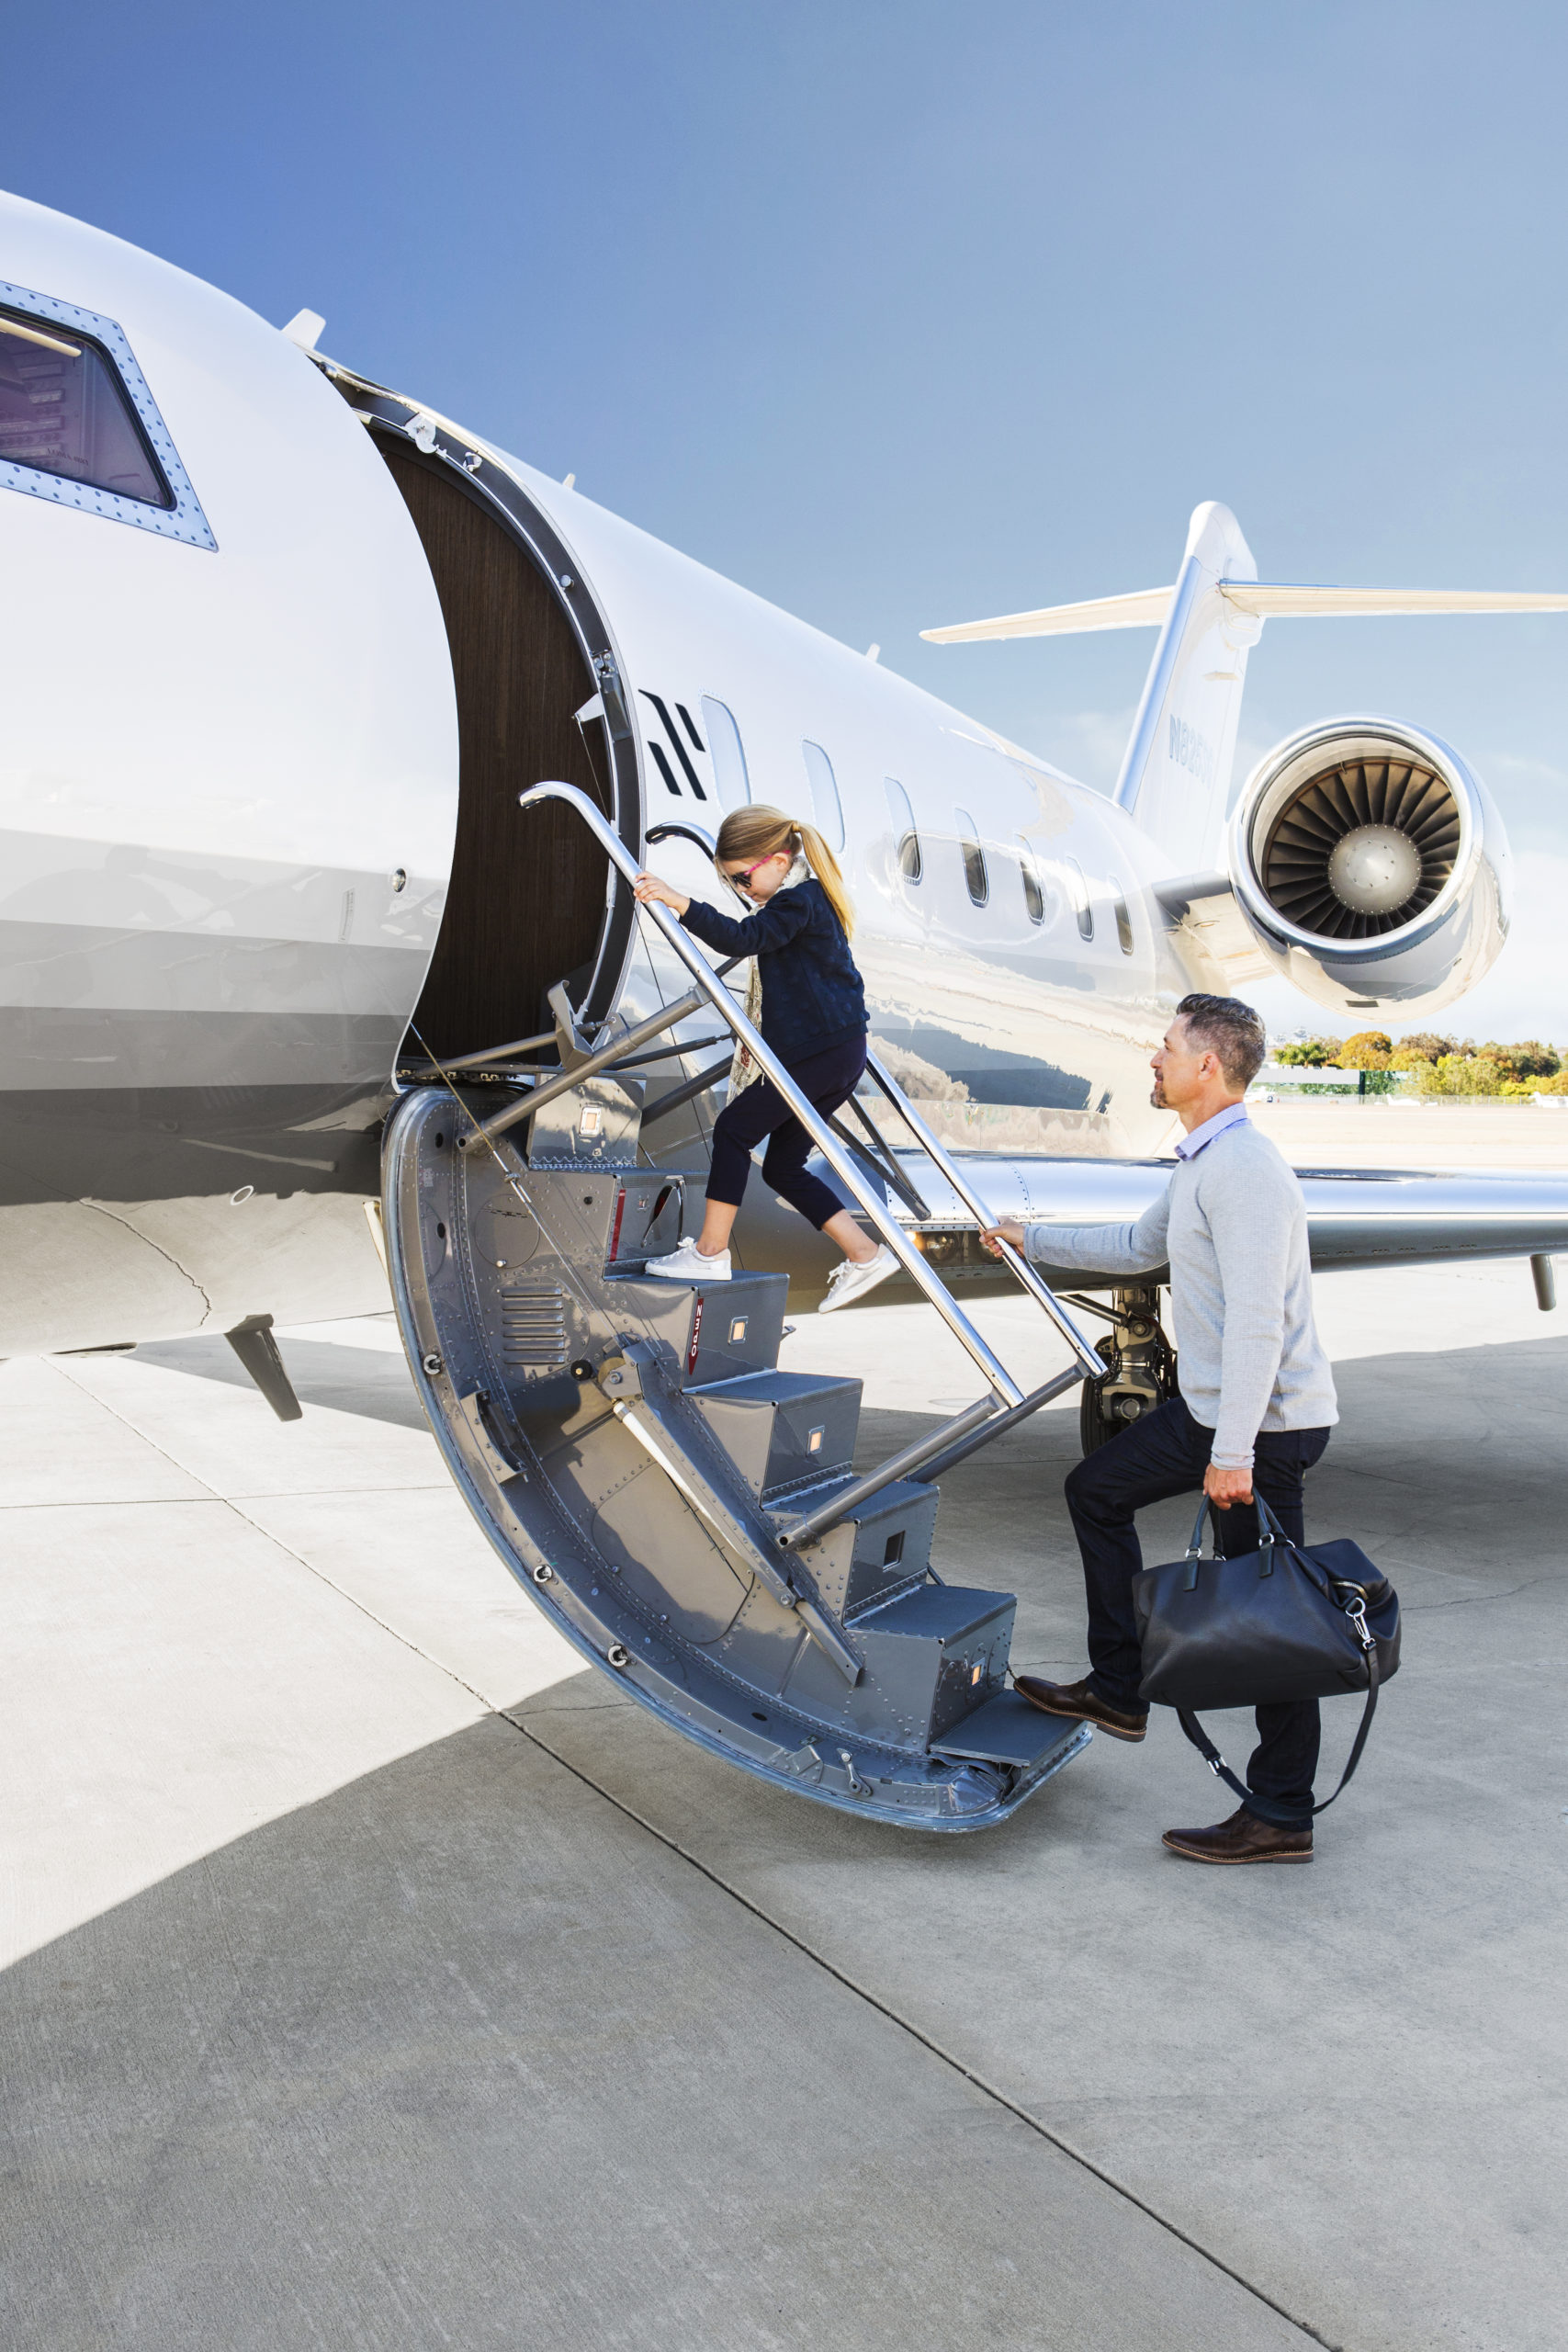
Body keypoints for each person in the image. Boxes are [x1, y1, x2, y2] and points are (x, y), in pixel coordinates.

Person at [981, 992, 1338, 1864]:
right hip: (1221, 1413)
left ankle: (1282, 1811)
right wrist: (1033, 1239)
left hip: (1262, 1428)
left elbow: (1259, 1321)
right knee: (1094, 1489)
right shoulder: (1202, 1162)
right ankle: (1118, 1688)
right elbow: (1140, 1244)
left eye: (1167, 1047)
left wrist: (1232, 1455)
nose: (1153, 1058)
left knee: (1271, 1622)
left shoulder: (1244, 1170)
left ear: (1206, 1066)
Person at [633, 807, 898, 1313]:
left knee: (733, 1129)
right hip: (840, 1052)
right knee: (782, 1166)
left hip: (818, 1052)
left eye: (742, 877)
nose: (742, 889)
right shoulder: (806, 897)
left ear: (778, 860)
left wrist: (676, 900)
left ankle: (710, 1253)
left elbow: (743, 938)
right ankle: (864, 1254)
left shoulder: (798, 900)